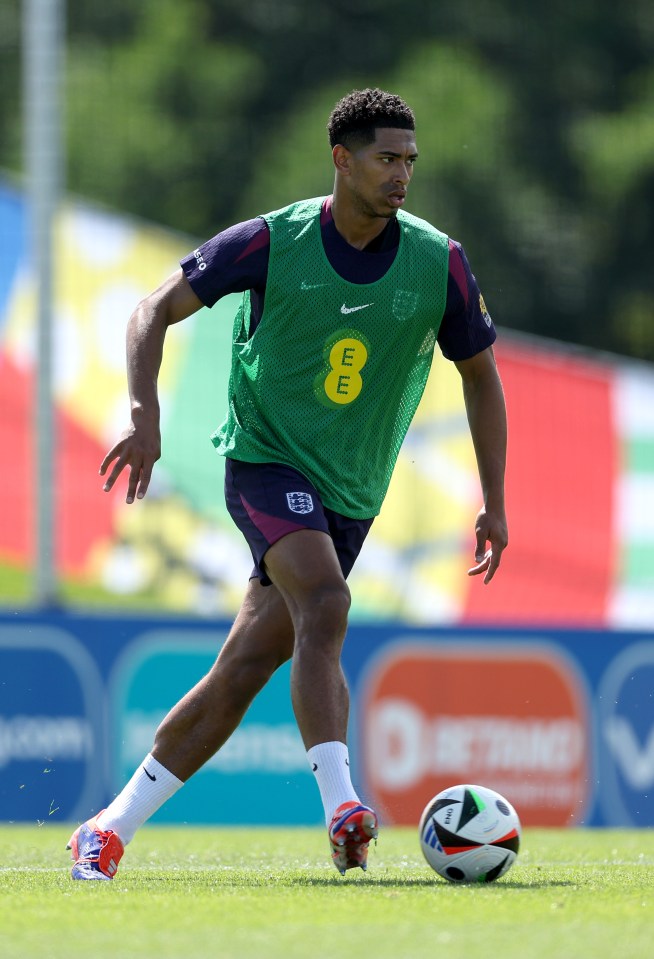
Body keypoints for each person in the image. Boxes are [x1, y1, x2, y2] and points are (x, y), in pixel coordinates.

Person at [67, 88, 508, 880]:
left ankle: (106, 826)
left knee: (245, 666)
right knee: (328, 601)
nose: (401, 173)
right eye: (386, 159)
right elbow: (152, 308)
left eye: (410, 160)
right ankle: (343, 806)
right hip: (265, 458)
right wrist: (144, 413)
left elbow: (481, 374)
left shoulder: (438, 260)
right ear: (342, 158)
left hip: (352, 490)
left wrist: (496, 500)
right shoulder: (273, 241)